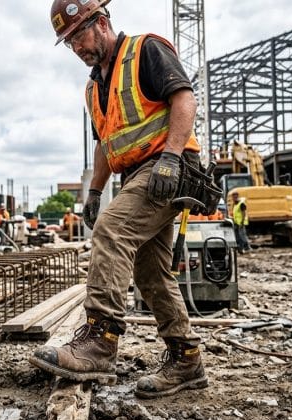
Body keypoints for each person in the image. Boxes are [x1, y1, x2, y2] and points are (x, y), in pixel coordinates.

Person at [30, 0, 209, 399]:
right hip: (138, 173)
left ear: (103, 22)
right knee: (150, 269)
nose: (76, 46)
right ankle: (186, 359)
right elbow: (105, 144)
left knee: (112, 231)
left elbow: (185, 100)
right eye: (68, 40)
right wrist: (94, 189)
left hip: (171, 165)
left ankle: (100, 341)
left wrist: (171, 157)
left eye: (79, 34)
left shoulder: (145, 50)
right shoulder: (95, 87)